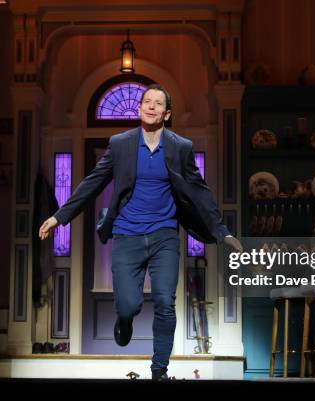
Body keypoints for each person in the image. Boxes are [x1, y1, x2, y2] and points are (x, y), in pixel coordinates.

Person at [39, 84, 243, 381]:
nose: (151, 106)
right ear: (139, 109)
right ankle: (124, 321)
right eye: (147, 101)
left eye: (158, 103)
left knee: (165, 302)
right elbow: (93, 182)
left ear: (167, 113)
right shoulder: (121, 144)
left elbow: (200, 191)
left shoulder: (179, 147)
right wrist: (60, 216)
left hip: (164, 236)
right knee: (129, 305)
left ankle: (159, 370)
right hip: (127, 235)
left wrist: (221, 231)